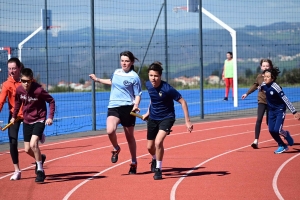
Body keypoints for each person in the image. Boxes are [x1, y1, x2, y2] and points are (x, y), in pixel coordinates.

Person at [89, 51, 142, 174]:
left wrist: (136, 105)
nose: (124, 63)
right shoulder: (117, 72)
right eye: (122, 60)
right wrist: (97, 80)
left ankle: (134, 162)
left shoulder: (134, 77)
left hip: (128, 108)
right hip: (113, 106)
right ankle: (116, 147)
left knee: (129, 137)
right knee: (110, 130)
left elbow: (138, 94)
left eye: (127, 61)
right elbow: (112, 82)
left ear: (132, 62)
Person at [141, 61, 193, 180]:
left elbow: (183, 102)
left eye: (156, 76)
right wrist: (148, 113)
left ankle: (159, 169)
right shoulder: (148, 85)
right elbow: (153, 100)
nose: (153, 78)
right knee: (149, 147)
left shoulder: (167, 89)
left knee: (158, 142)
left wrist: (187, 121)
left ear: (160, 76)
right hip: (153, 118)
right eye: (151, 75)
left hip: (167, 118)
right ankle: (154, 158)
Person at [11, 68, 55, 183]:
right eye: (23, 81)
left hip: (39, 119)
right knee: (26, 149)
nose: (26, 83)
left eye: (28, 81)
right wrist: (14, 116)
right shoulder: (19, 90)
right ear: (20, 80)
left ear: (32, 80)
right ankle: (41, 157)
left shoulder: (39, 90)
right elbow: (17, 103)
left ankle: (40, 171)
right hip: (27, 120)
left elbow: (51, 101)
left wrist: (50, 117)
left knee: (33, 144)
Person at [260, 67, 300, 154]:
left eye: (268, 76)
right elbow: (259, 88)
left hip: (280, 110)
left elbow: (285, 99)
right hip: (271, 111)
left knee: (277, 130)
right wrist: (248, 93)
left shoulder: (276, 87)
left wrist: (294, 111)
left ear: (272, 78)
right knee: (271, 130)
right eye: (265, 76)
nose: (265, 78)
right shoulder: (263, 85)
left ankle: (285, 134)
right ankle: (282, 145)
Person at [241, 59, 273, 148]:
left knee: (269, 123)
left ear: (270, 67)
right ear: (261, 67)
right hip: (261, 101)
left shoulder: (273, 77)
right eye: (264, 66)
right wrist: (246, 93)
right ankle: (256, 141)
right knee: (259, 119)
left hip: (271, 102)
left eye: (267, 66)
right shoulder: (259, 77)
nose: (265, 67)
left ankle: (281, 134)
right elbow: (255, 85)